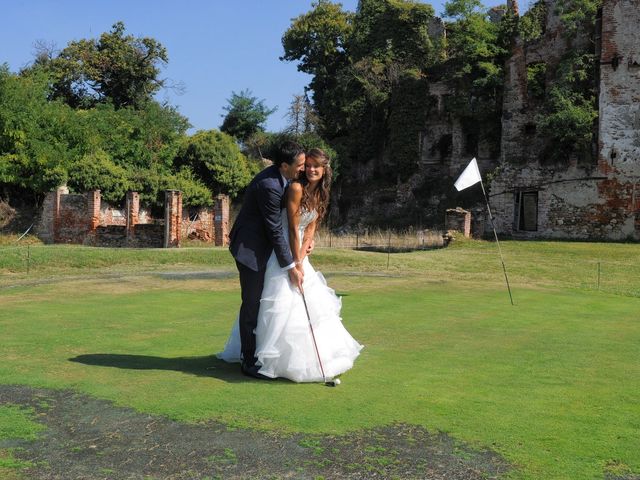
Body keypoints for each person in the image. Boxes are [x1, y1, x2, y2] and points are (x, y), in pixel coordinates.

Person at [219, 148, 363, 382]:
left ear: (325, 169)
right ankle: (254, 358)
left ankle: (311, 359)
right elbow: (287, 229)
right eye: (307, 165)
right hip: (278, 249)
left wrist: (308, 244)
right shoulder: (294, 188)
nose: (310, 169)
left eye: (316, 165)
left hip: (293, 250)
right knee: (266, 302)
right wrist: (295, 264)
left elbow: (312, 224)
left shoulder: (321, 191)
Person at [227, 140, 305, 379]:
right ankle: (248, 360)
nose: (302, 168)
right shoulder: (270, 185)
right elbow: (274, 230)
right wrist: (291, 265)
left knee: (262, 303)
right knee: (252, 303)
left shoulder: (285, 180)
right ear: (284, 165)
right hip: (250, 250)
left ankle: (257, 353)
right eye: (299, 164)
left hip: (266, 250)